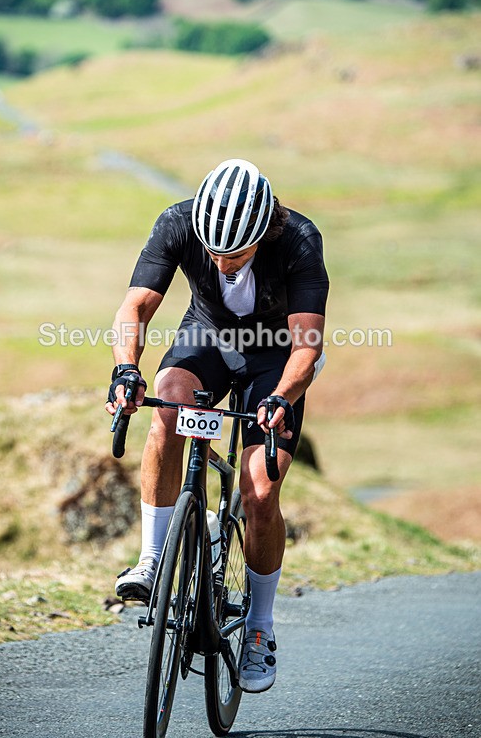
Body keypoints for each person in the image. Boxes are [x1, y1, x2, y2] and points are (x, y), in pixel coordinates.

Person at [105, 158, 329, 693]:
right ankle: (155, 557)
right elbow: (135, 306)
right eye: (214, 251)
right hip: (207, 335)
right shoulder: (178, 222)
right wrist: (125, 369)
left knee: (259, 490)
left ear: (264, 234)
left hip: (275, 356)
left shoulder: (297, 240)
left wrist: (281, 396)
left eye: (238, 252)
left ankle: (259, 627)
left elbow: (307, 346)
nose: (223, 261)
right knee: (167, 407)